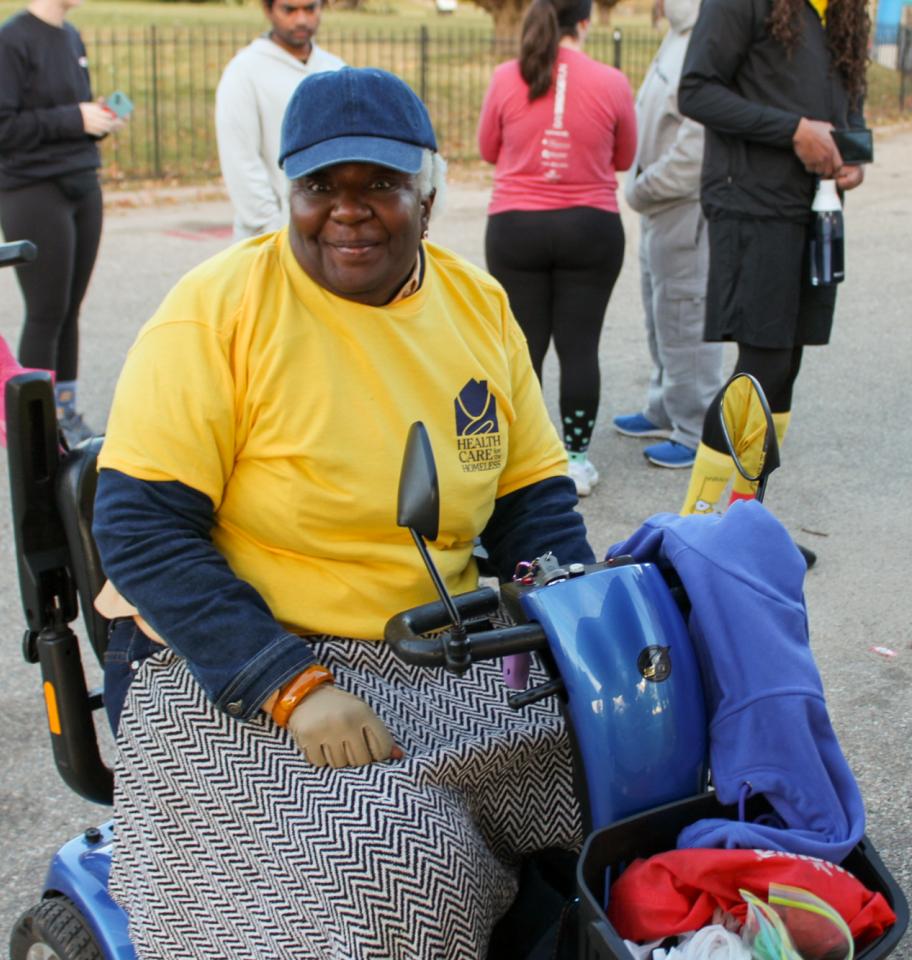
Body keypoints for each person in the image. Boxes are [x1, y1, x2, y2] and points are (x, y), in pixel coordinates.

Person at [92, 67, 594, 960]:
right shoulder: (216, 313)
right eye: (321, 185)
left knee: (619, 774)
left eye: (381, 186)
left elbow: (533, 506)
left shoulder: (480, 311)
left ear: (428, 197)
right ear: (289, 191)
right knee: (399, 865)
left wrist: (574, 613)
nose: (348, 210)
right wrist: (288, 685)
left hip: (436, 640)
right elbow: (139, 529)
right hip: (230, 656)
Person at [675, 0, 869, 520]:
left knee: (785, 368)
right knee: (758, 369)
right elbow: (695, 90)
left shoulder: (845, 10)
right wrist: (793, 131)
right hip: (751, 203)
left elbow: (849, 99)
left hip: (815, 208)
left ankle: (743, 524)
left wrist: (852, 147)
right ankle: (694, 531)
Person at [477, 0, 637, 498]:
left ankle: (524, 462)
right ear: (585, 22)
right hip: (590, 227)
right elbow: (625, 157)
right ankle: (575, 460)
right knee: (580, 346)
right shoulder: (611, 81)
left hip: (515, 227)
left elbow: (487, 148)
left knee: (522, 350)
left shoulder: (507, 76)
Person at [0, 0, 125, 445]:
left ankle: (64, 414)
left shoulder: (70, 35)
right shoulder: (11, 39)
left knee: (70, 310)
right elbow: (5, 126)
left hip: (81, 180)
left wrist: (95, 119)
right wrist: (74, 117)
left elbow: (62, 111)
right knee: (46, 312)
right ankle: (36, 431)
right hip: (32, 189)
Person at [612, 0, 725, 470]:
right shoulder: (677, 35)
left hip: (683, 206)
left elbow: (695, 149)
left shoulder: (707, 38)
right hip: (657, 205)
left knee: (685, 315)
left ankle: (696, 427)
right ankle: (664, 406)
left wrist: (643, 187)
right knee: (660, 311)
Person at [215, 0, 344, 239]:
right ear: (268, 10)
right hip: (269, 235)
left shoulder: (336, 69)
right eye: (289, 10)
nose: (302, 19)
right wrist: (272, 228)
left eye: (310, 8)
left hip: (332, 234)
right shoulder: (244, 71)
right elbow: (240, 160)